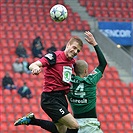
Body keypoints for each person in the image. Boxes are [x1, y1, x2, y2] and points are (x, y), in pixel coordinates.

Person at [14, 32, 107, 133]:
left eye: (78, 50)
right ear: (68, 45)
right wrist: (35, 68)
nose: (75, 51)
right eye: (74, 47)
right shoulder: (54, 56)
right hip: (50, 98)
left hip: (62, 99)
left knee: (62, 131)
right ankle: (33, 121)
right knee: (74, 126)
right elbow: (34, 64)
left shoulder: (71, 65)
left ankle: (33, 120)